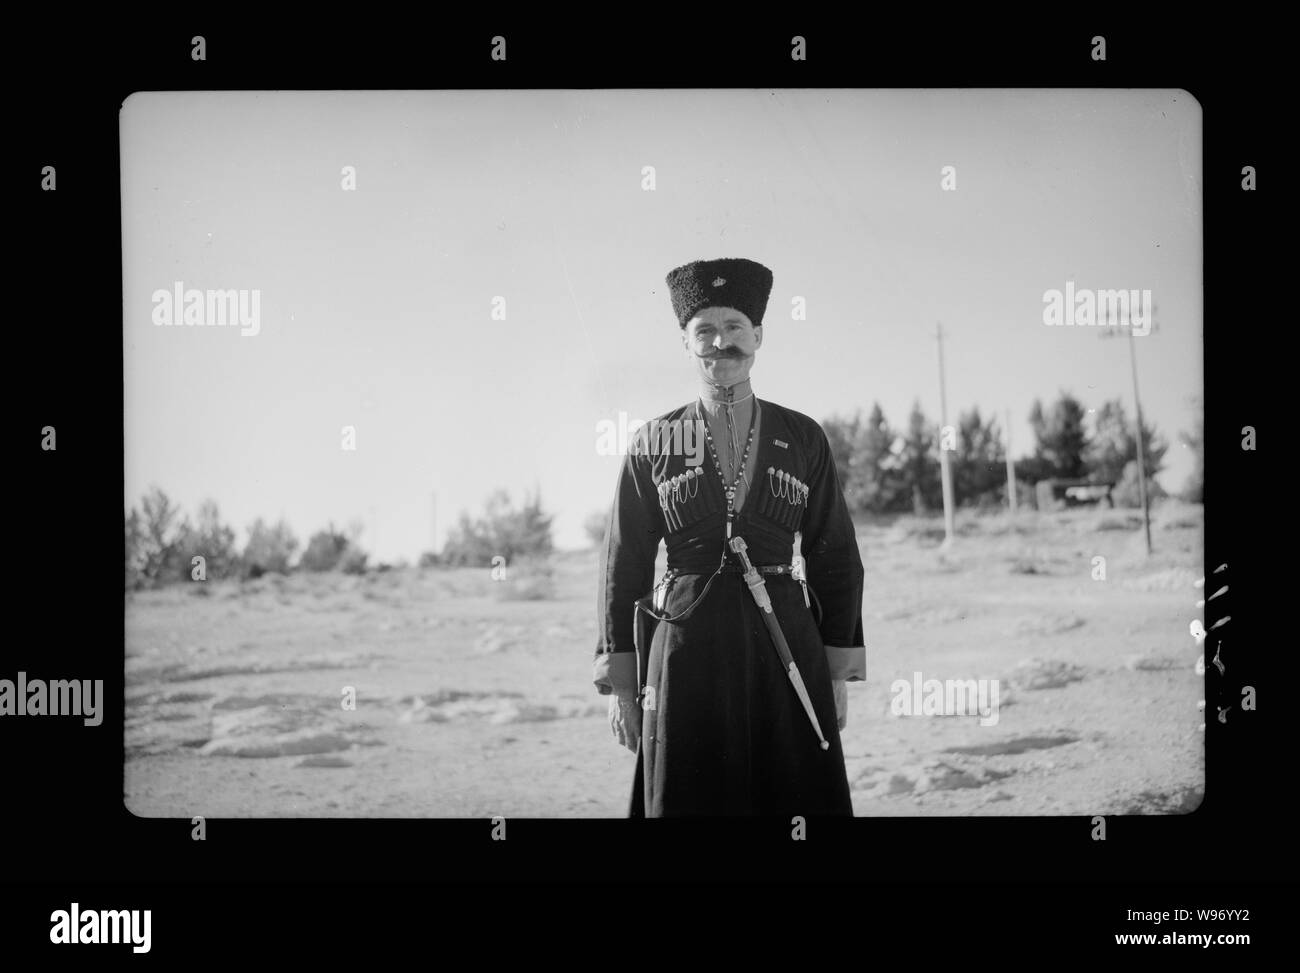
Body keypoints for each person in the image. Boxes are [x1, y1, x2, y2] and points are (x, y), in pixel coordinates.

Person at [593, 256, 867, 817]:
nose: (722, 343)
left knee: (791, 791)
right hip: (687, 643)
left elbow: (834, 552)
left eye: (735, 327)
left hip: (784, 638)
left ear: (759, 335)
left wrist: (835, 672)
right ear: (686, 343)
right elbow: (624, 564)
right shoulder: (656, 440)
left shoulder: (802, 435)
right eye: (706, 331)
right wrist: (624, 685)